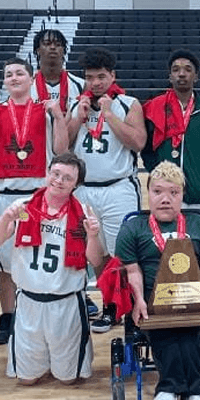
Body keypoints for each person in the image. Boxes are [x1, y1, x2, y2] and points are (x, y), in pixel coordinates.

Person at [115, 161, 200, 400]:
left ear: (182, 195)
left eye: (173, 193)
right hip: (154, 300)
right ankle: (192, 391)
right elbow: (132, 272)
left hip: (192, 298)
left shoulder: (198, 224)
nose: (165, 199)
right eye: (158, 192)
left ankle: (169, 390)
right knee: (168, 328)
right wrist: (139, 299)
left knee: (189, 328)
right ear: (148, 193)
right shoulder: (133, 228)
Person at [0, 57, 67, 345]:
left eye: (19, 73)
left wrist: (60, 117)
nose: (14, 78)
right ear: (4, 81)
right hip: (4, 197)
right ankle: (8, 316)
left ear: (31, 77)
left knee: (43, 257)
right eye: (8, 74)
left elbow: (61, 152)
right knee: (4, 265)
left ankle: (44, 311)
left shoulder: (46, 111)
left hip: (39, 197)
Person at [0, 152, 104, 385]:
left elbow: (96, 260)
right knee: (27, 380)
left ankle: (59, 361)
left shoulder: (83, 213)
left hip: (66, 303)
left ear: (76, 184)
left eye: (67, 178)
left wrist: (93, 236)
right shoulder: (23, 207)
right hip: (29, 302)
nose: (59, 181)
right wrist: (5, 219)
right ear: (48, 173)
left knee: (68, 380)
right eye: (55, 174)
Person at [65, 47, 147, 333]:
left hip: (118, 189)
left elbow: (138, 142)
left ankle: (133, 307)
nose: (96, 83)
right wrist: (77, 118)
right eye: (90, 77)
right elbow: (61, 147)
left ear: (112, 75)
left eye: (101, 76)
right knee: (95, 255)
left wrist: (110, 116)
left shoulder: (128, 103)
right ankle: (110, 305)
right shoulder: (78, 104)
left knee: (122, 255)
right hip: (84, 190)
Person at [31, 29, 98, 319]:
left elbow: (70, 139)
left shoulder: (82, 87)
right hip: (36, 172)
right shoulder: (26, 87)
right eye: (46, 44)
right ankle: (39, 289)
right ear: (37, 51)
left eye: (58, 44)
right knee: (44, 238)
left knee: (75, 237)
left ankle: (80, 290)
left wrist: (65, 120)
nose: (52, 49)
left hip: (72, 174)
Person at [142, 49, 200, 233]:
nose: (181, 73)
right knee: (163, 252)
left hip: (197, 195)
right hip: (164, 196)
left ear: (195, 76)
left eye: (188, 69)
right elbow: (146, 149)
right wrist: (157, 174)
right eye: (176, 69)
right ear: (170, 76)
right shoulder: (156, 107)